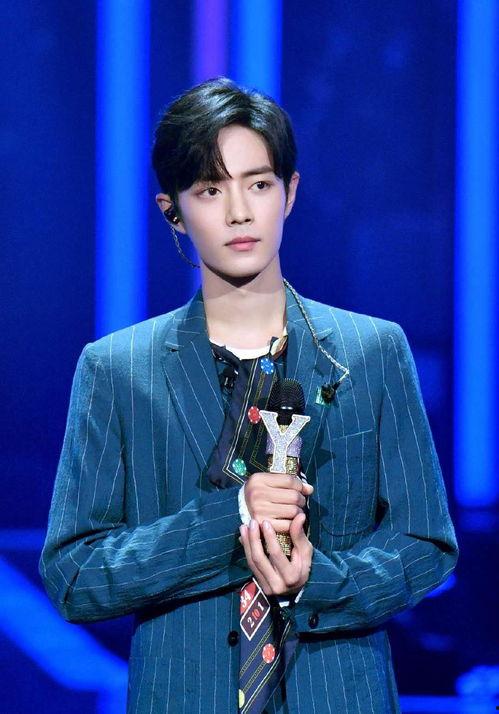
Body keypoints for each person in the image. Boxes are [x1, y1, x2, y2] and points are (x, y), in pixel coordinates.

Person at [39, 77, 459, 714]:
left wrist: (319, 582)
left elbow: (426, 543)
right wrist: (230, 516)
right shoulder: (116, 370)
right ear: (172, 210)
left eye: (258, 184)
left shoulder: (373, 351)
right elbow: (74, 576)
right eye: (210, 190)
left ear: (289, 193)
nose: (239, 212)